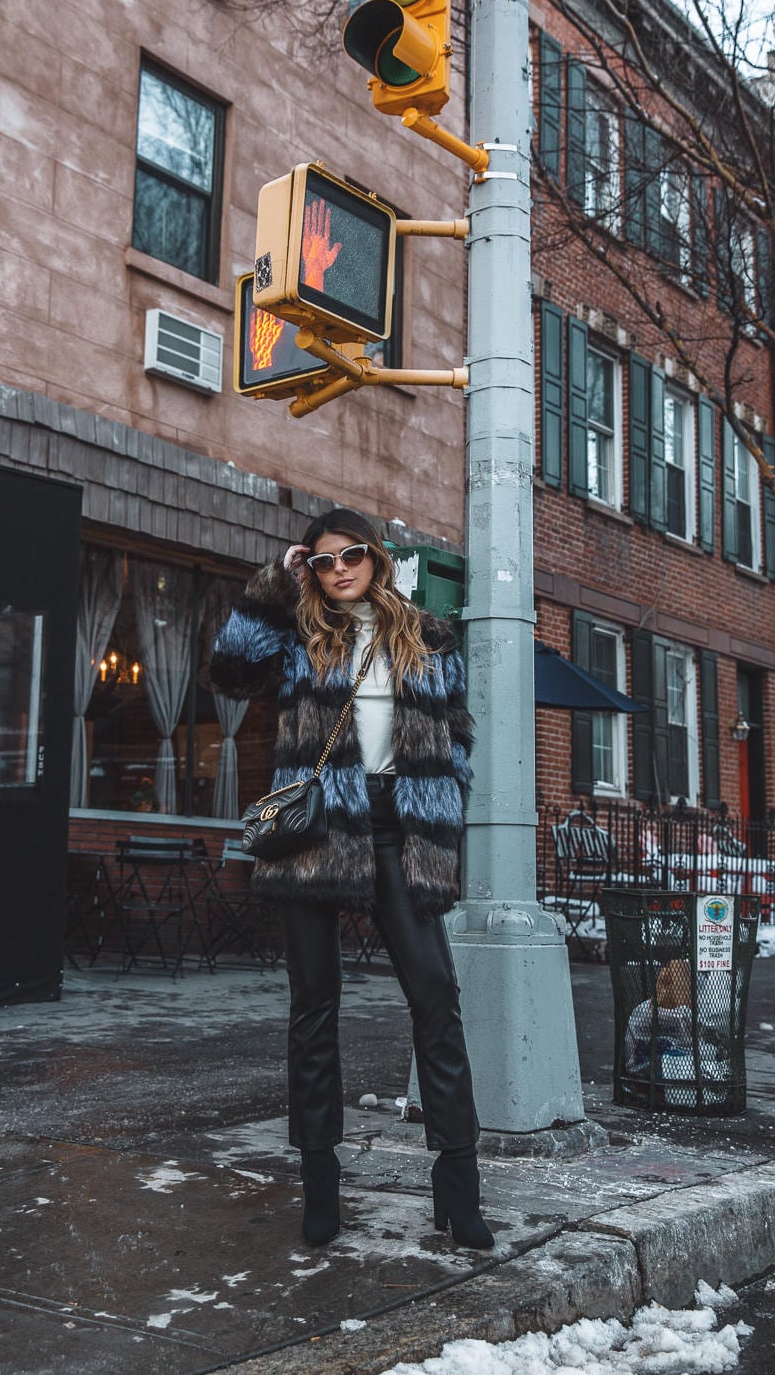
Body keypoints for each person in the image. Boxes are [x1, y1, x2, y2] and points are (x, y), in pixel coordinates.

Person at [211, 508, 492, 1251]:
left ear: (378, 558)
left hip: (402, 824)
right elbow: (229, 671)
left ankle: (458, 1187)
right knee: (313, 1009)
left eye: (352, 556)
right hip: (317, 831)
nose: (339, 570)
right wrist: (277, 582)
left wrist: (444, 809)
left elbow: (456, 735)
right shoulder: (300, 633)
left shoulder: (431, 637)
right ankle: (320, 1186)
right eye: (325, 560)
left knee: (435, 999)